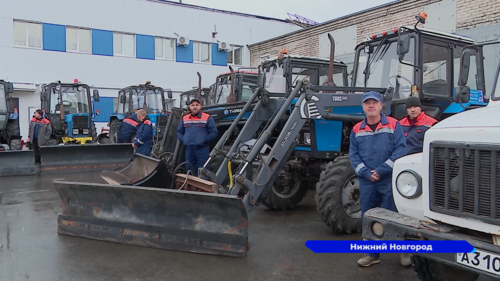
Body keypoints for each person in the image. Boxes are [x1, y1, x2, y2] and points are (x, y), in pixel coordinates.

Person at [348, 91, 407, 267]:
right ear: (363, 107)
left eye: (375, 102)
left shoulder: (394, 125)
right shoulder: (357, 129)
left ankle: (403, 251)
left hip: (388, 179)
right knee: (368, 216)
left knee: (394, 215)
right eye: (368, 103)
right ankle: (372, 254)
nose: (371, 105)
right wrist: (366, 173)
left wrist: (381, 170)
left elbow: (400, 150)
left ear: (381, 106)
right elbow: (353, 154)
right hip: (367, 182)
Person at [176, 98, 218, 177]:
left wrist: (204, 140)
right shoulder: (185, 118)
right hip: (189, 149)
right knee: (189, 170)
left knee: (203, 171)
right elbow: (179, 131)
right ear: (189, 107)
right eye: (193, 105)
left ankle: (202, 189)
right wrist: (184, 140)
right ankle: (191, 188)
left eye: (197, 105)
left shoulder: (207, 117)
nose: (195, 107)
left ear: (200, 106)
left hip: (202, 150)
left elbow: (214, 132)